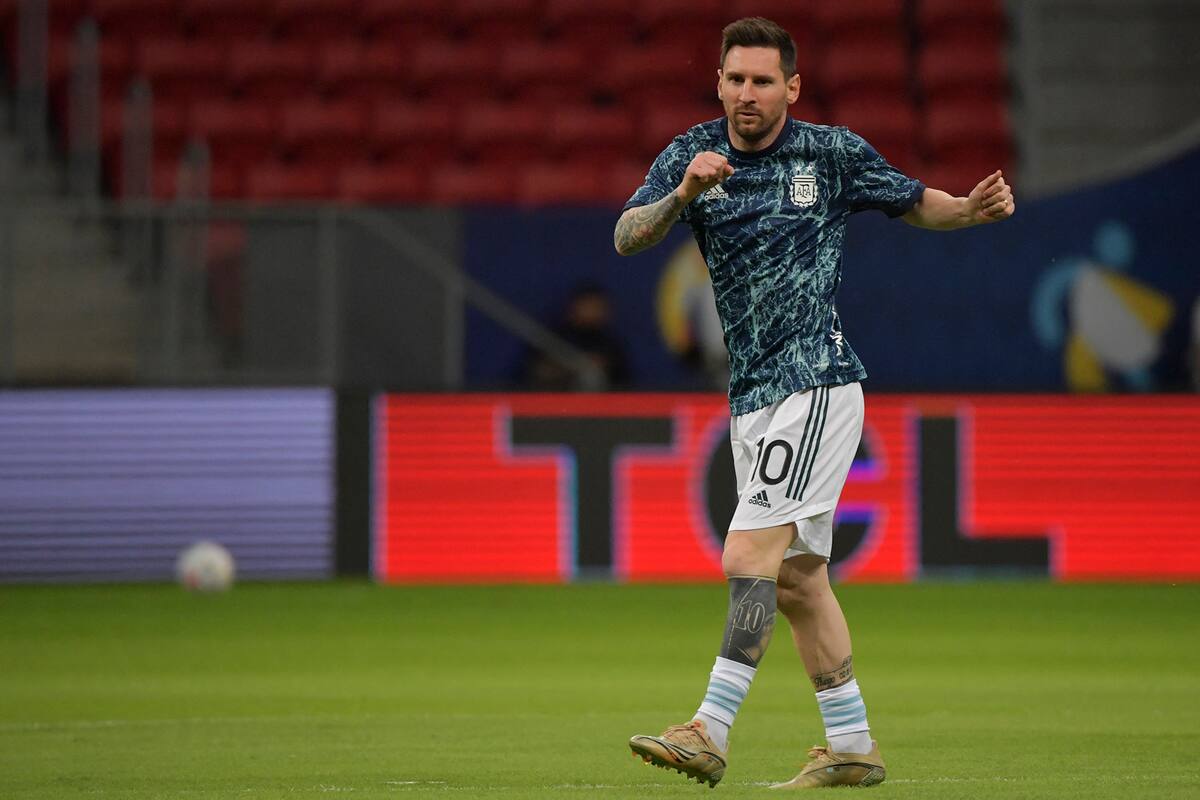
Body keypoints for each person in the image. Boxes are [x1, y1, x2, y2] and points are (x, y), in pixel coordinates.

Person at [614, 17, 1014, 790]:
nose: (746, 94)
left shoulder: (830, 154)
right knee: (797, 579)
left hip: (818, 381)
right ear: (719, 82)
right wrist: (683, 195)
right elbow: (628, 235)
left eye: (763, 81)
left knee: (747, 556)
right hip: (752, 396)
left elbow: (911, 199)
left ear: (792, 87)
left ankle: (710, 728)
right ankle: (853, 743)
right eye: (735, 79)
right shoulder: (691, 154)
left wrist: (965, 210)